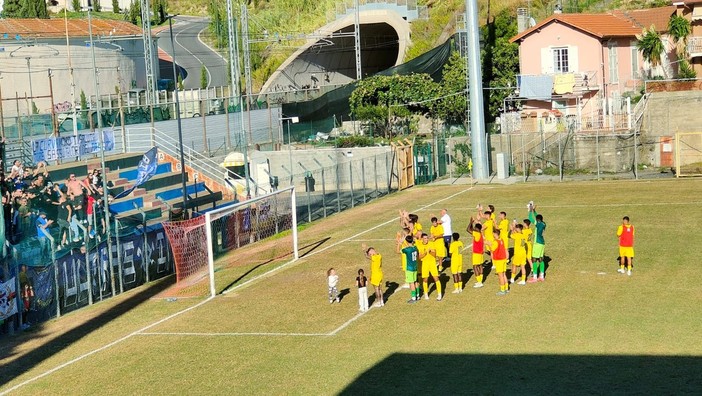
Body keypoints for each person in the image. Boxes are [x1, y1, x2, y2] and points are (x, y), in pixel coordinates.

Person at [418, 233, 442, 301]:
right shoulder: (420, 246)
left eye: (427, 238)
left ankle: (439, 294)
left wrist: (430, 252)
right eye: (425, 238)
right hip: (425, 264)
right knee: (425, 279)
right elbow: (420, 257)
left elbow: (434, 255)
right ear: (422, 239)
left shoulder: (431, 244)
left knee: (436, 278)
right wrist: (425, 253)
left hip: (432, 263)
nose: (426, 240)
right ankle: (426, 294)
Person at [399, 235, 420, 303]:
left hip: (409, 268)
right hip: (415, 267)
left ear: (406, 241)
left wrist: (400, 243)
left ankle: (413, 298)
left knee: (411, 283)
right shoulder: (415, 247)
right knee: (416, 281)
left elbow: (397, 251)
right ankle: (418, 295)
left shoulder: (407, 250)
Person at [467, 216, 485, 288]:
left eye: (475, 227)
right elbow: (471, 229)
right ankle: (480, 280)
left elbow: (468, 229)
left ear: (477, 228)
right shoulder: (480, 234)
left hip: (476, 253)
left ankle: (479, 281)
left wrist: (471, 222)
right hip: (480, 252)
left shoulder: (477, 234)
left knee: (475, 266)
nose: (474, 228)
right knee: (480, 265)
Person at [529, 213, 547, 283]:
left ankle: (535, 277)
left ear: (537, 220)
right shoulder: (543, 223)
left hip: (537, 243)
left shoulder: (538, 224)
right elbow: (538, 217)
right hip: (542, 243)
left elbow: (530, 218)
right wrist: (534, 211)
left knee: (534, 260)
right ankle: (542, 276)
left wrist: (530, 210)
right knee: (541, 259)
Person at [491, 229, 509, 296]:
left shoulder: (496, 242)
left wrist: (488, 244)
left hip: (499, 260)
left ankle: (502, 290)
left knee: (500, 275)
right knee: (504, 274)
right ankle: (506, 288)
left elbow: (492, 249)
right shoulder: (501, 240)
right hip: (503, 259)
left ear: (495, 234)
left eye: (493, 234)